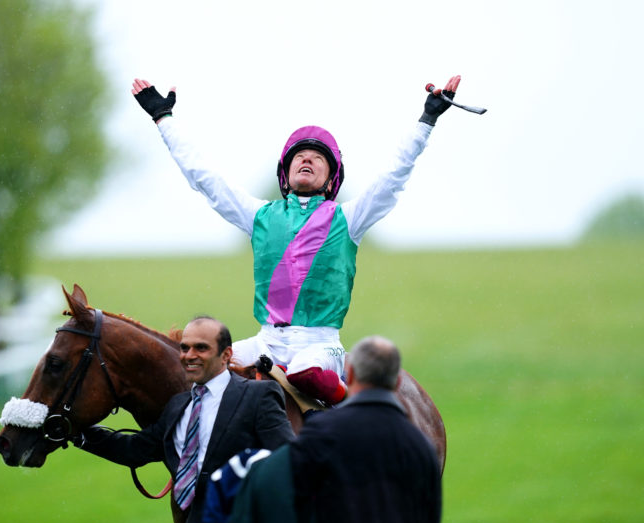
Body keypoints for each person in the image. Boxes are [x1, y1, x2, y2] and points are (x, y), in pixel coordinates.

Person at [131, 75, 461, 405]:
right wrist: (163, 119)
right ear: (285, 173)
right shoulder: (258, 215)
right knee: (195, 370)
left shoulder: (349, 218)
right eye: (298, 156)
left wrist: (427, 121)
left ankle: (354, 410)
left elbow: (393, 176)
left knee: (304, 373)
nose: (306, 159)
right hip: (265, 341)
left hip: (320, 346)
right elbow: (204, 177)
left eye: (317, 158)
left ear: (331, 178)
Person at [73, 316, 295, 523]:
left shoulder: (258, 395)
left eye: (201, 348)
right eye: (184, 348)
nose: (189, 356)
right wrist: (74, 433)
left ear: (226, 354)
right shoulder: (177, 406)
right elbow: (134, 450)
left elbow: (286, 461)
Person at [286, 335, 442, 523]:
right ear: (397, 382)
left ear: (349, 376)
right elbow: (428, 517)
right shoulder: (420, 443)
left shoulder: (320, 432)